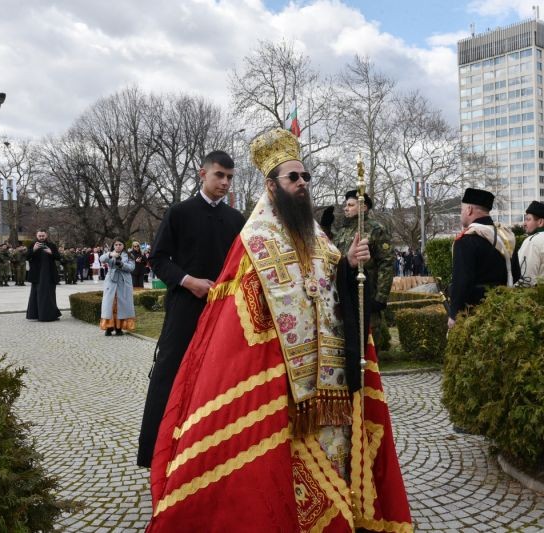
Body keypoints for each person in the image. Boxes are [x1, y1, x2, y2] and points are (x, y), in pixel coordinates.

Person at [146, 129, 411, 532]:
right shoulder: (254, 238)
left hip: (327, 377)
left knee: (332, 450)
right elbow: (241, 312)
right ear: (272, 186)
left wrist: (348, 264)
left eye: (305, 176)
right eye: (293, 177)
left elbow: (330, 285)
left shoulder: (316, 235)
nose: (303, 183)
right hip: (280, 375)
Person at [137, 150, 245, 468]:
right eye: (219, 175)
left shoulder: (236, 220)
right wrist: (188, 281)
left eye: (229, 177)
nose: (225, 182)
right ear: (202, 174)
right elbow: (158, 259)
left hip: (224, 312)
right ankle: (156, 454)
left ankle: (210, 456)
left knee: (219, 379)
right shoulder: (180, 212)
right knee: (168, 375)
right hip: (184, 308)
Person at [331, 189, 395, 351]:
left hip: (366, 295)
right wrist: (325, 227)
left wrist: (380, 298)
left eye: (350, 205)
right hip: (345, 294)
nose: (346, 208)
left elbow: (386, 263)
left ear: (363, 207)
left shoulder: (376, 229)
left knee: (367, 345)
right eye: (346, 205)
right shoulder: (343, 231)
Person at [448, 188, 515, 329]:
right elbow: (516, 273)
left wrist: (453, 315)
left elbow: (462, 281)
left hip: (474, 315)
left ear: (469, 210)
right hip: (504, 310)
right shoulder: (505, 237)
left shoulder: (466, 240)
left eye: (462, 209)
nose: (461, 214)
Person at [99, 239, 136, 336]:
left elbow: (131, 268)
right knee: (110, 304)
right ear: (113, 245)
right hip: (111, 281)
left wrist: (122, 264)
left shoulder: (129, 255)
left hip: (124, 281)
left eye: (120, 244)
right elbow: (101, 259)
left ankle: (119, 328)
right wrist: (110, 255)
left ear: (123, 245)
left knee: (122, 305)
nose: (118, 246)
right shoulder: (110, 253)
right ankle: (109, 327)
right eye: (116, 244)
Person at [26, 229, 61, 321]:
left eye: (43, 236)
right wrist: (33, 250)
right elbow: (26, 257)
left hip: (49, 274)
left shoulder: (52, 245)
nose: (41, 237)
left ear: (46, 235)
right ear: (36, 236)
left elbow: (58, 257)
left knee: (49, 295)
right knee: (36, 294)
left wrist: (51, 252)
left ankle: (51, 315)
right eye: (40, 236)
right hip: (37, 275)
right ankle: (36, 315)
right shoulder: (33, 245)